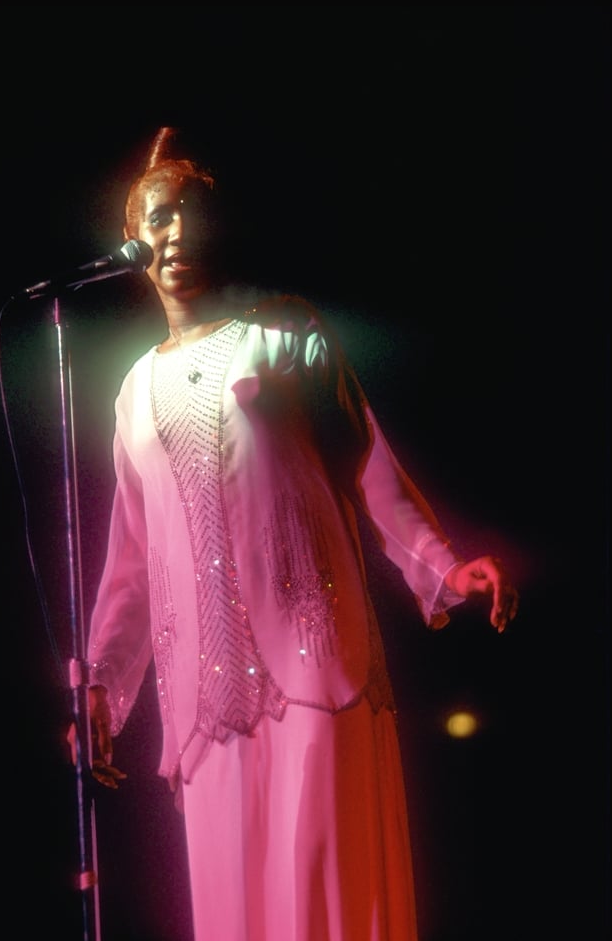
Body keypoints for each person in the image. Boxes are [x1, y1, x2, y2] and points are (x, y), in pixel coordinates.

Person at [77, 126, 519, 941]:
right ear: (133, 240)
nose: (178, 232)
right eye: (159, 216)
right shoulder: (133, 389)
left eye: (192, 213)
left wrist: (443, 566)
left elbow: (368, 465)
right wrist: (101, 681)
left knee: (327, 895)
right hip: (206, 695)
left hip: (318, 662)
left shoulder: (284, 330)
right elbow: (130, 564)